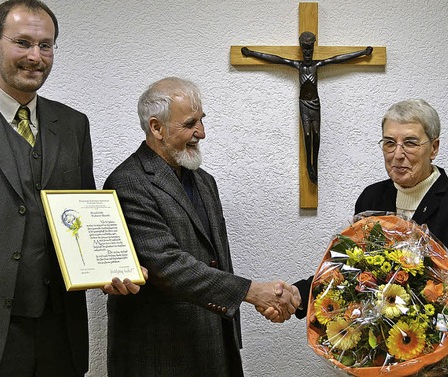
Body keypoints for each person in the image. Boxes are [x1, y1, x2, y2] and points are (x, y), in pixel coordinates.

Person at [0, 1, 143, 376]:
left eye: (46, 45)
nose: (35, 57)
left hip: (60, 332)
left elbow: (84, 217)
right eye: (22, 42)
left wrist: (109, 267)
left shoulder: (74, 124)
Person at [103, 77, 301, 377]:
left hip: (214, 348)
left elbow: (215, 259)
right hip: (159, 357)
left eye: (202, 121)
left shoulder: (204, 181)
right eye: (190, 124)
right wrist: (252, 292)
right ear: (156, 128)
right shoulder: (128, 183)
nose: (202, 133)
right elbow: (168, 266)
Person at [285, 99, 448, 375]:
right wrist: (297, 294)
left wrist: (431, 354)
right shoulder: (371, 197)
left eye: (411, 143)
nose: (397, 154)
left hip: (434, 364)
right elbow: (347, 271)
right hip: (375, 361)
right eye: (389, 143)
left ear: (435, 148)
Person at [241, 32, 372, 184]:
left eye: (310, 50)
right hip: (303, 104)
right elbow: (277, 59)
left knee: (316, 133)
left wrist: (362, 53)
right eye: (305, 51)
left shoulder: (317, 65)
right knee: (307, 135)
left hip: (315, 103)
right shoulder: (298, 65)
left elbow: (337, 59)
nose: (308, 54)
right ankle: (309, 166)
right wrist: (251, 53)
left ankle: (314, 165)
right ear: (302, 50)